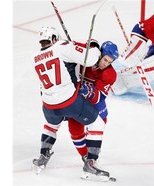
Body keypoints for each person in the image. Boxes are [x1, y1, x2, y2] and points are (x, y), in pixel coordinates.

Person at [32, 26, 113, 182]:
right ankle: (90, 163)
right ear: (54, 39)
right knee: (97, 123)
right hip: (69, 101)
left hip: (48, 103)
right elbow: (90, 59)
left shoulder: (34, 57)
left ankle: (43, 156)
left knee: (51, 125)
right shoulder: (61, 47)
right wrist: (93, 46)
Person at [67, 40, 118, 161]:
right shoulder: (87, 56)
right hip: (78, 100)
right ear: (100, 54)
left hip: (94, 103)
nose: (106, 64)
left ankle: (92, 158)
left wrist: (89, 91)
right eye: (105, 60)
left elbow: (100, 97)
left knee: (101, 121)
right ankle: (85, 157)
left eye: (110, 62)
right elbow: (71, 45)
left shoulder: (110, 74)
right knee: (74, 130)